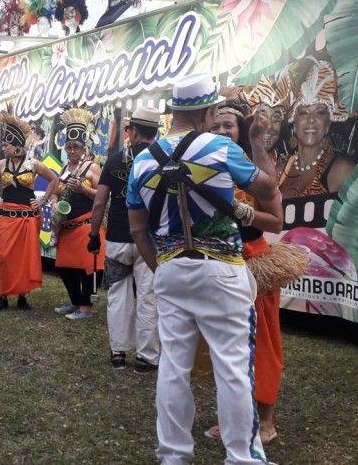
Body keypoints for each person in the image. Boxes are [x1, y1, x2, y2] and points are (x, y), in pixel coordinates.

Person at [127, 73, 281, 464]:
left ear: (174, 111)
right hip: (223, 270)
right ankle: (241, 457)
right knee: (232, 367)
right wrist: (258, 145)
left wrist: (161, 269)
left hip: (170, 270)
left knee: (173, 365)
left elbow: (137, 229)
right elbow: (268, 190)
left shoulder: (142, 159)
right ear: (208, 111)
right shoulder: (218, 147)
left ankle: (175, 455)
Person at [205, 101, 296, 445]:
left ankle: (267, 417)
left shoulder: (251, 167)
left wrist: (243, 212)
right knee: (223, 345)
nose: (222, 131)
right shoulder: (203, 164)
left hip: (252, 264)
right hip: (216, 261)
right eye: (215, 126)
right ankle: (229, 415)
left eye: (229, 125)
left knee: (260, 342)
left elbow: (275, 216)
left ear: (240, 130)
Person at [88, 107, 160, 372]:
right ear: (155, 132)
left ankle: (118, 353)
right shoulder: (161, 160)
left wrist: (94, 234)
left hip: (118, 238)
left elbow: (99, 202)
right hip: (150, 241)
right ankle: (147, 357)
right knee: (149, 296)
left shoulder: (115, 160)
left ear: (134, 132)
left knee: (118, 295)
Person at [0, 107, 59, 312]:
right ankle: (3, 295)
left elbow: (54, 180)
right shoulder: (0, 165)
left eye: (6, 144)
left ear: (16, 146)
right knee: (5, 257)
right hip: (7, 217)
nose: (3, 147)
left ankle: (22, 297)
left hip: (28, 217)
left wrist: (43, 202)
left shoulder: (33, 164)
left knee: (25, 257)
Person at [52, 106, 104, 321]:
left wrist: (84, 189)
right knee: (65, 268)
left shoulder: (92, 167)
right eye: (69, 146)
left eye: (76, 147)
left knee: (88, 269)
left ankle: (86, 308)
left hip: (87, 226)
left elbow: (102, 196)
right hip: (67, 228)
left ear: (84, 148)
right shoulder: (64, 169)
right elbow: (56, 192)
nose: (72, 151)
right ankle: (75, 302)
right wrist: (55, 204)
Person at [277, 57, 355, 198]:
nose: (311, 120)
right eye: (303, 113)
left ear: (328, 123)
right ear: (293, 122)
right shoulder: (279, 170)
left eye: (319, 112)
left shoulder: (342, 170)